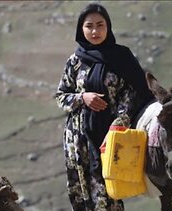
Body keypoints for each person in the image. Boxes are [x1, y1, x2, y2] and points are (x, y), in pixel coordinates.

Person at [54, 3, 153, 210]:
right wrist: (83, 97)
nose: (95, 31)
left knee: (109, 194)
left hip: (109, 137)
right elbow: (61, 97)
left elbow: (134, 92)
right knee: (80, 193)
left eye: (100, 25)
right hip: (77, 139)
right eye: (89, 26)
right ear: (81, 29)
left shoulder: (121, 57)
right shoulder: (75, 61)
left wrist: (118, 124)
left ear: (108, 27)